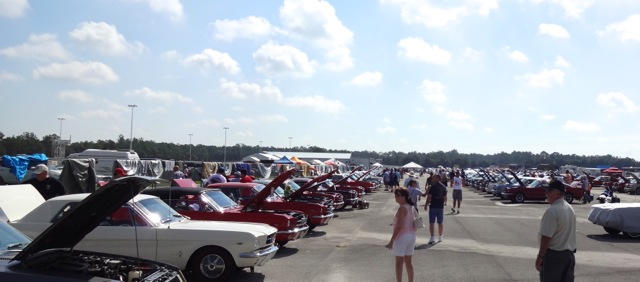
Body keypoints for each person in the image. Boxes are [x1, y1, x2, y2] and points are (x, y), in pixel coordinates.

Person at [536, 180, 576, 282]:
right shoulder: (569, 208)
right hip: (568, 255)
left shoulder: (552, 210)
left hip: (554, 256)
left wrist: (540, 257)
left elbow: (546, 236)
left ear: (558, 193)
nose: (546, 193)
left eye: (549, 191)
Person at [385, 188, 417, 282]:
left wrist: (391, 241)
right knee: (408, 262)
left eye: (398, 195)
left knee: (399, 263)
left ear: (404, 197)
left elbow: (399, 226)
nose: (396, 197)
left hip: (402, 237)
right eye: (395, 195)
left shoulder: (402, 208)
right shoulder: (411, 207)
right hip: (412, 235)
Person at [425, 174, 447, 244]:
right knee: (440, 222)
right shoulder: (443, 187)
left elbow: (429, 196)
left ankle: (432, 237)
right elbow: (445, 197)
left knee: (432, 222)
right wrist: (443, 203)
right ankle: (440, 236)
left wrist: (426, 204)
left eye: (434, 178)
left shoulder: (433, 187)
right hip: (440, 206)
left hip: (433, 206)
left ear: (437, 178)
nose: (432, 179)